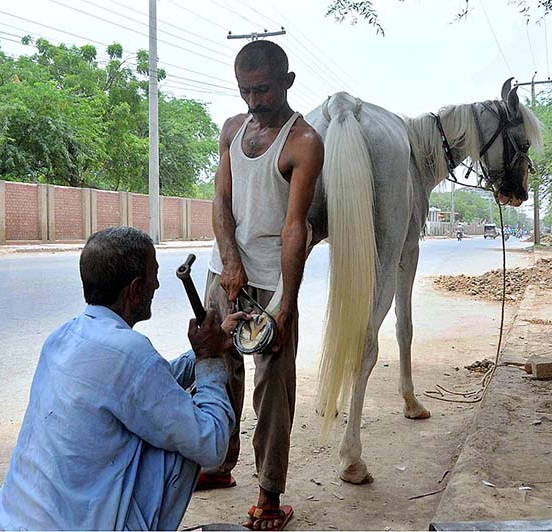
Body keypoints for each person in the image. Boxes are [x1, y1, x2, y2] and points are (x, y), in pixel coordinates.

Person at [0, 226, 244, 531]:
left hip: (14, 521)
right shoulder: (130, 353)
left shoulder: (64, 336)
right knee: (184, 438)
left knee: (166, 418)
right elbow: (212, 444)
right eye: (154, 275)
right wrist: (209, 360)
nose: (158, 285)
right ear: (136, 289)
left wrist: (199, 352)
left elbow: (144, 387)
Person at [203, 40, 324, 530]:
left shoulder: (304, 142)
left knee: (273, 386)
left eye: (264, 89)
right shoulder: (232, 129)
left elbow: (297, 227)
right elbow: (220, 200)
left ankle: (269, 493)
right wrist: (230, 260)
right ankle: (217, 463)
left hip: (273, 282)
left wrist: (285, 303)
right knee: (216, 365)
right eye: (245, 91)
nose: (254, 101)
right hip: (223, 272)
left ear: (288, 81)